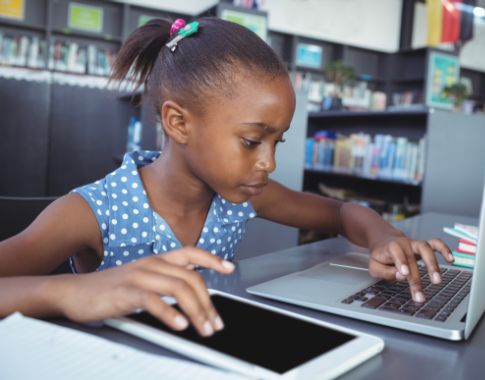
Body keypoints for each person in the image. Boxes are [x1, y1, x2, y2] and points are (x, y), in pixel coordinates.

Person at [0, 17, 453, 337]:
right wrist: (68, 291)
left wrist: (381, 235)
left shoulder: (240, 196)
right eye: (253, 141)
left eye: (278, 143)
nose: (269, 163)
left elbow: (341, 211)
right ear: (178, 123)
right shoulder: (89, 212)